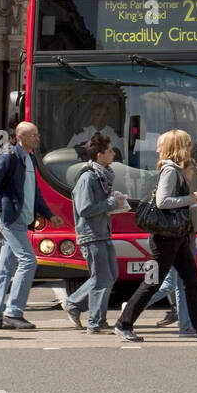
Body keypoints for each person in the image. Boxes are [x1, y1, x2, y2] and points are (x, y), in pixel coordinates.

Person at [114, 130, 197, 342]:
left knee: (192, 281)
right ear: (180, 147)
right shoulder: (170, 170)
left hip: (177, 236)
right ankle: (124, 323)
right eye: (187, 144)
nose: (191, 147)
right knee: (153, 282)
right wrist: (190, 199)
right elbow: (162, 201)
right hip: (165, 238)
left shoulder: (176, 169)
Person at [0, 122, 54, 330]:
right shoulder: (9, 158)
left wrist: (49, 214)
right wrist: (4, 205)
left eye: (37, 135)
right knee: (29, 261)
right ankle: (13, 313)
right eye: (33, 136)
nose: (37, 139)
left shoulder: (29, 159)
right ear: (21, 137)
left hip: (21, 220)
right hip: (11, 220)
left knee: (5, 269)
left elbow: (35, 191)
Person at [62, 133, 126, 334]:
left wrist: (112, 201)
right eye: (109, 151)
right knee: (101, 279)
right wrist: (112, 202)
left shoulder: (101, 175)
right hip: (91, 234)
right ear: (99, 155)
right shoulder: (88, 177)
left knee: (110, 276)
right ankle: (95, 321)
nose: (113, 153)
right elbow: (85, 208)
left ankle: (74, 304)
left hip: (102, 231)